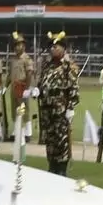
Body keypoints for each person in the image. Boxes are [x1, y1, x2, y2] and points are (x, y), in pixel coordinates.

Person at [38, 32, 80, 175]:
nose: (53, 49)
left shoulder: (69, 66)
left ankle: (61, 170)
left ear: (63, 48)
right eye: (51, 47)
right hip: (47, 111)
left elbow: (73, 88)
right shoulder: (46, 66)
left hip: (61, 110)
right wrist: (37, 91)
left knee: (61, 141)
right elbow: (41, 84)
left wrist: (71, 108)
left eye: (56, 46)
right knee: (50, 142)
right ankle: (52, 167)